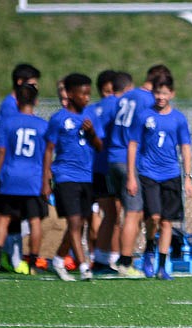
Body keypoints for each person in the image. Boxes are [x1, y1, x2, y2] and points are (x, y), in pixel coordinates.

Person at [127, 74, 192, 280]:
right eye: (157, 92)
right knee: (153, 217)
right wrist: (131, 174)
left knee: (167, 222)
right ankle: (149, 249)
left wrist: (188, 177)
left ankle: (163, 266)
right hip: (148, 173)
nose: (160, 97)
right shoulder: (143, 116)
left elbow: (185, 147)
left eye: (164, 93)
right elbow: (133, 144)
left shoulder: (178, 118)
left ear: (171, 94)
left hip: (171, 174)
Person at [107, 65, 170, 278]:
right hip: (128, 159)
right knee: (133, 213)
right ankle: (125, 262)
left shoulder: (127, 96)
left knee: (115, 212)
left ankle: (104, 256)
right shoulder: (148, 101)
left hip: (112, 158)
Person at [42, 73, 103, 281]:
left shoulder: (91, 117)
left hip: (86, 176)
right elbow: (49, 149)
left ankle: (58, 260)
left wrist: (92, 132)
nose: (86, 97)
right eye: (82, 93)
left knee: (81, 223)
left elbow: (99, 146)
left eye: (88, 93)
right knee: (75, 222)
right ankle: (84, 266)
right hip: (65, 175)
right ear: (70, 94)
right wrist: (46, 180)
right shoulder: (59, 118)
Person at [0, 83, 48, 275]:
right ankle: (32, 263)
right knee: (34, 221)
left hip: (11, 176)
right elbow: (46, 155)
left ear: (17, 101)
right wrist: (46, 180)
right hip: (33, 179)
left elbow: (1, 150)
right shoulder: (42, 125)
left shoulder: (7, 123)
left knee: (4, 217)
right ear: (36, 101)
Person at [88, 69, 119, 274]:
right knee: (113, 213)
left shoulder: (90, 109)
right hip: (108, 165)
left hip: (90, 168)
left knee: (94, 215)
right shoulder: (116, 105)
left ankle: (98, 256)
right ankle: (107, 258)